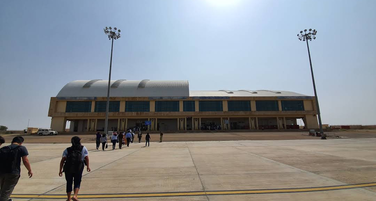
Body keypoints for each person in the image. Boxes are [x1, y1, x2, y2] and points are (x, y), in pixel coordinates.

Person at [0, 136, 33, 201]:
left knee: (3, 189)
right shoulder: (21, 148)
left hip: (2, 172)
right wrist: (29, 170)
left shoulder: (4, 148)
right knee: (6, 191)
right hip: (13, 172)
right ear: (21, 142)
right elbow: (25, 160)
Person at [59, 136, 91, 201]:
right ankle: (75, 195)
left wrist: (60, 170)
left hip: (68, 168)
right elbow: (86, 158)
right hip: (79, 167)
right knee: (77, 181)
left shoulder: (68, 149)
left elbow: (62, 160)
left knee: (69, 182)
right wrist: (88, 166)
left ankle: (68, 198)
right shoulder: (83, 148)